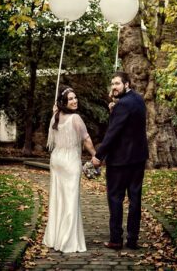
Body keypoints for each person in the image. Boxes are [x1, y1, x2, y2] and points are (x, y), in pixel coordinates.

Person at [92, 71, 149, 250]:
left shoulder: (122, 105)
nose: (113, 87)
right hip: (138, 158)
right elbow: (129, 126)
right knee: (135, 199)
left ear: (127, 84)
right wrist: (113, 110)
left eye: (117, 83)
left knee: (115, 198)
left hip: (120, 161)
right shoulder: (139, 100)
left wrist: (98, 155)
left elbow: (113, 133)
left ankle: (116, 239)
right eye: (112, 84)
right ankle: (132, 240)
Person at [43, 85, 96, 253]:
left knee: (58, 199)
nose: (74, 101)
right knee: (70, 200)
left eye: (75, 98)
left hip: (57, 159)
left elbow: (52, 140)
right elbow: (86, 139)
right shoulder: (76, 119)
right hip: (70, 161)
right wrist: (95, 155)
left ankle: (54, 238)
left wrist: (54, 112)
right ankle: (67, 241)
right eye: (70, 99)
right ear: (64, 102)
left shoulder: (55, 117)